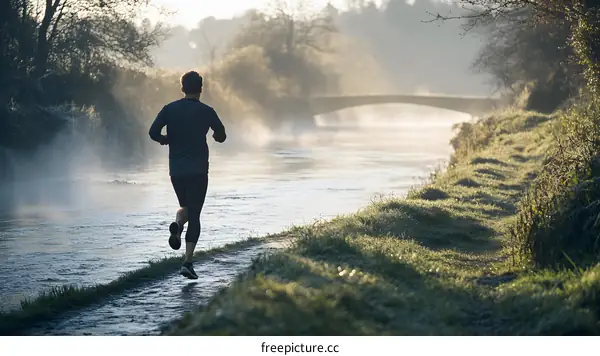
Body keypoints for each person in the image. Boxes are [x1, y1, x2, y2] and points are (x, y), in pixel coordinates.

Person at [148, 71, 226, 279]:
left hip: (176, 170)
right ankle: (188, 262)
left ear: (182, 88)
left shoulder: (169, 109)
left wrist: (165, 140)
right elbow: (222, 135)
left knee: (186, 208)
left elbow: (153, 132)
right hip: (198, 170)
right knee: (196, 214)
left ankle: (178, 225)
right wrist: (216, 136)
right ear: (201, 89)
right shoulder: (207, 111)